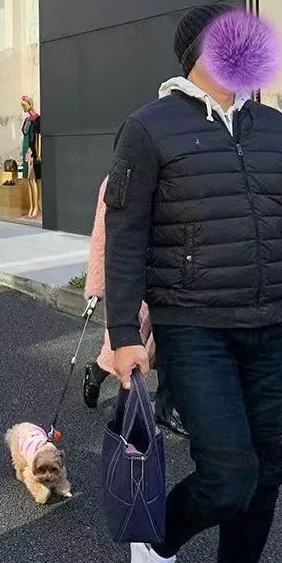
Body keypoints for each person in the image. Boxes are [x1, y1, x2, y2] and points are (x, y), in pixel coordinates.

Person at [105, 4, 282, 563]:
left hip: (271, 322)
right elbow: (125, 237)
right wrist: (123, 335)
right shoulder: (149, 127)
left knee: (266, 471)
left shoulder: (275, 127)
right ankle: (157, 541)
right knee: (229, 473)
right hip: (193, 326)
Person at [82, 176, 188, 437]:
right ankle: (99, 378)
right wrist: (97, 288)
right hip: (131, 280)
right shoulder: (119, 179)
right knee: (125, 349)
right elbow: (102, 238)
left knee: (171, 348)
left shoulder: (178, 175)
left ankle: (166, 410)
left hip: (169, 278)